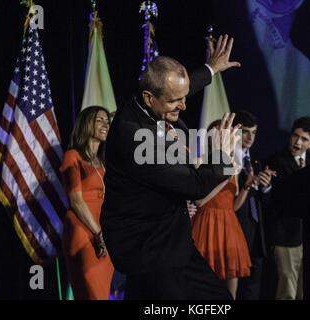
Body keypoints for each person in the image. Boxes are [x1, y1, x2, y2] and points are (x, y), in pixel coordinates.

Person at [100, 35, 242, 299]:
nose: (184, 106)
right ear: (149, 97)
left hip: (167, 241)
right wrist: (221, 153)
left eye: (184, 97)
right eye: (175, 101)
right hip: (149, 247)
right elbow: (196, 185)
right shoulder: (135, 138)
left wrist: (210, 69)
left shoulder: (145, 101)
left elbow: (178, 90)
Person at [191, 119, 253, 300]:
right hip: (205, 225)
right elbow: (200, 201)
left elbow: (232, 206)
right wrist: (223, 179)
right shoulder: (199, 162)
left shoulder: (233, 168)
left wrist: (246, 188)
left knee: (230, 293)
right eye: (215, 133)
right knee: (201, 289)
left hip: (229, 228)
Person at [59, 106, 114, 300]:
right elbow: (76, 201)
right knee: (91, 293)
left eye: (107, 121)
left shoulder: (104, 162)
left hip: (105, 235)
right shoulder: (72, 156)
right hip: (83, 232)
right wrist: (98, 234)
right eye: (99, 120)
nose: (105, 124)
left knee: (101, 294)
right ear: (86, 124)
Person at [267, 116, 310, 300]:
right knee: (287, 290)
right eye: (295, 136)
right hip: (285, 236)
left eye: (304, 139)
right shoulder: (275, 161)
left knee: (306, 289)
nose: (298, 142)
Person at [231, 110, 276, 300]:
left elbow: (265, 202)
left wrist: (266, 187)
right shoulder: (228, 160)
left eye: (254, 132)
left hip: (257, 235)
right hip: (235, 231)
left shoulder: (257, 162)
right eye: (246, 132)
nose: (250, 137)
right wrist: (248, 185)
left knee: (253, 289)